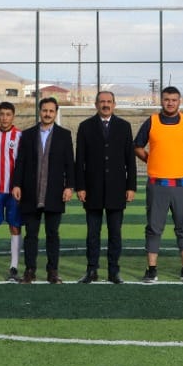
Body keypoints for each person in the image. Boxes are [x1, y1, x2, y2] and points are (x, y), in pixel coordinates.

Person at [134, 86, 183, 283]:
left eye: (174, 99)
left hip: (181, 184)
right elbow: (137, 146)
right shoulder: (152, 121)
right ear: (161, 100)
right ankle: (151, 269)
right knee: (154, 228)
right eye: (166, 99)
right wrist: (152, 160)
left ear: (179, 102)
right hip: (157, 184)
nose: (170, 103)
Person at [10, 96, 74, 283]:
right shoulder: (28, 134)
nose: (47, 114)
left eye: (51, 111)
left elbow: (70, 163)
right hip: (31, 193)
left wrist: (70, 186)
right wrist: (17, 184)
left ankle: (52, 271)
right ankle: (30, 270)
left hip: (54, 193)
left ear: (56, 112)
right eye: (44, 110)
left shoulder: (64, 135)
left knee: (52, 234)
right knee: (31, 235)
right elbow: (20, 162)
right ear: (40, 111)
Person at [75, 90, 136, 284]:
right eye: (102, 102)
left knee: (115, 234)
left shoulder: (124, 127)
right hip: (92, 189)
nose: (106, 105)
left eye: (109, 101)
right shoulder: (85, 127)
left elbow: (130, 160)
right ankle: (92, 270)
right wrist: (80, 187)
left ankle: (113, 271)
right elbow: (80, 161)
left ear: (114, 104)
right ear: (96, 104)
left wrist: (131, 186)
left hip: (117, 189)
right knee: (92, 234)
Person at [0, 102, 24, 280]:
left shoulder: (19, 136)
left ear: (13, 116)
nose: (4, 117)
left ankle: (13, 266)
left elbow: (23, 163)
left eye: (8, 114)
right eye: (1, 114)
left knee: (14, 226)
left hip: (13, 190)